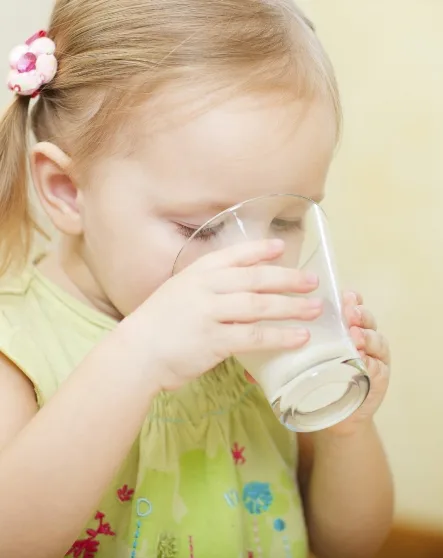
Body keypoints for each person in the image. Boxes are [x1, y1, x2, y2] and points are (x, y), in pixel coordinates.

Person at [0, 1, 393, 557]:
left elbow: (349, 544)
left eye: (286, 220)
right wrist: (140, 357)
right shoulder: (20, 352)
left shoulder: (259, 352)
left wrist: (345, 432)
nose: (256, 263)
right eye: (200, 228)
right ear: (68, 191)